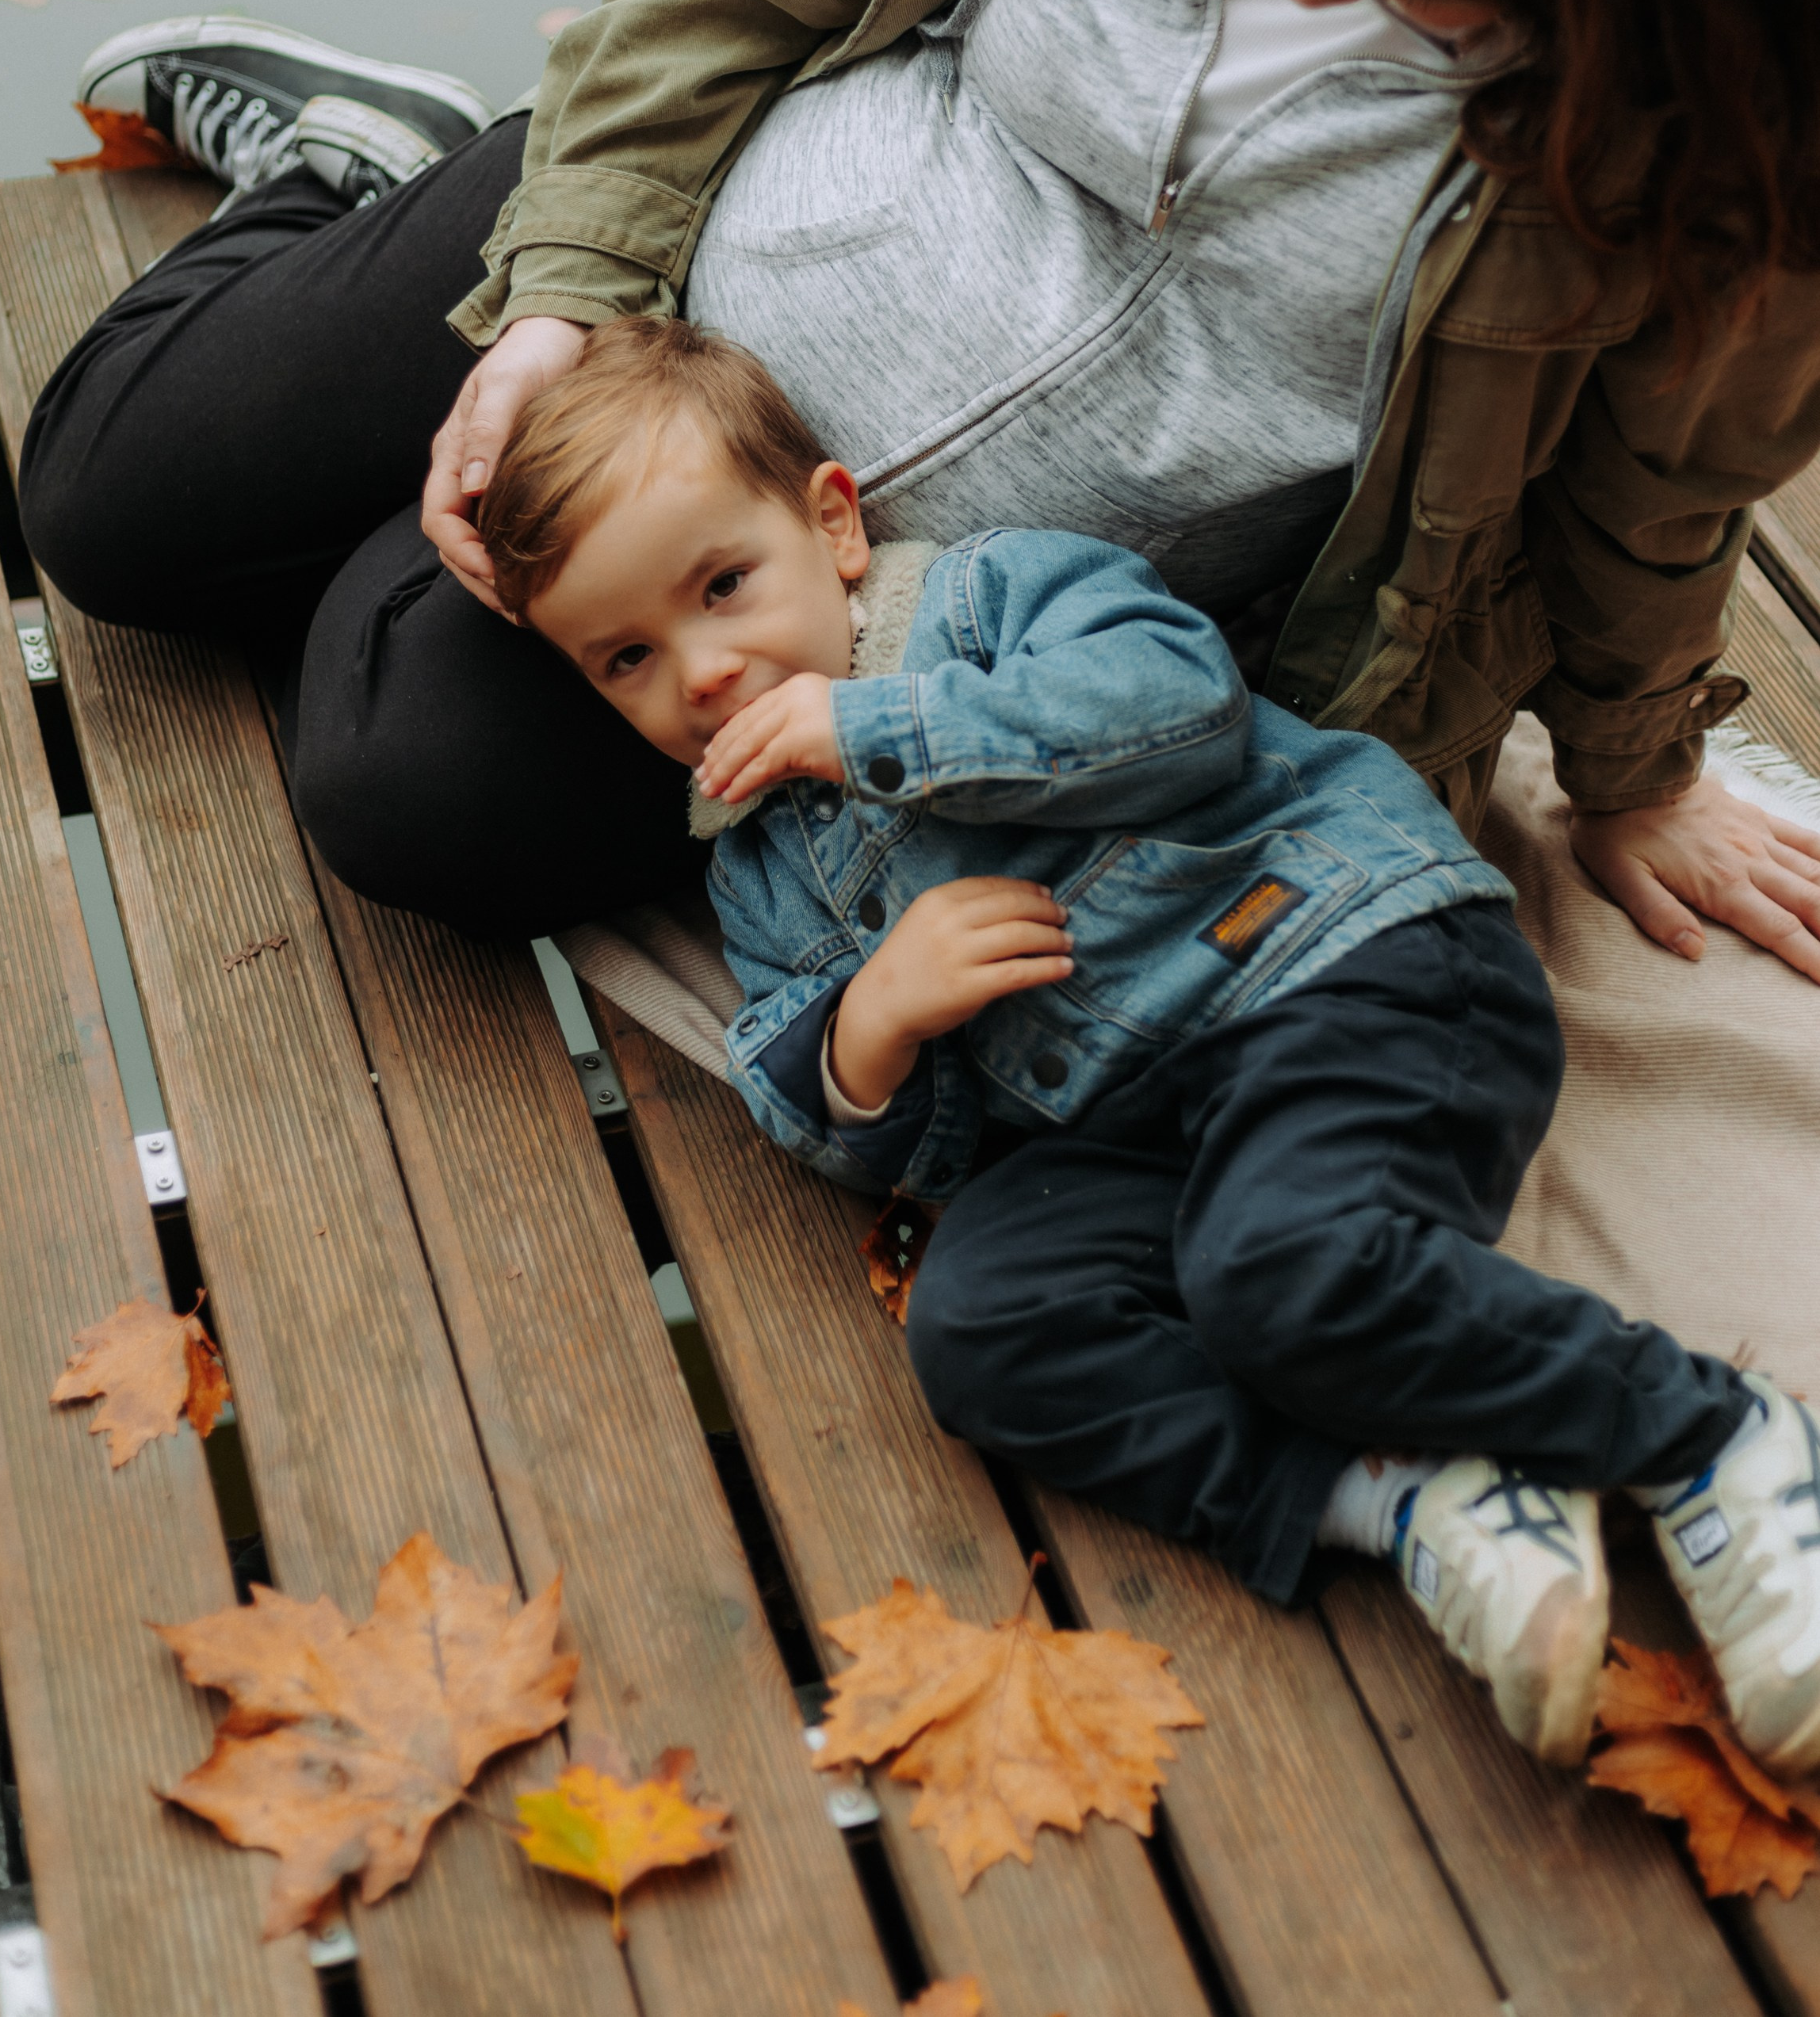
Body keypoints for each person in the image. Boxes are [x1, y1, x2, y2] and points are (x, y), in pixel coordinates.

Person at [17, 0, 1820, 966]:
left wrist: (1635, 770)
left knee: (410, 789)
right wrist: (563, 296)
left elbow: (1657, 487)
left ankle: (426, 515)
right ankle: (376, 156)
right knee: (107, 499)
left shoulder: (1734, 144)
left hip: (936, 610)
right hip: (682, 270)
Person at [472, 309, 1820, 1775]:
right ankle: (1401, 1490)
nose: (701, 672)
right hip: (1135, 1125)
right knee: (979, 1326)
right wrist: (871, 1029)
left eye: (723, 587)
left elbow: (1178, 706)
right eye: (627, 658)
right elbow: (842, 1125)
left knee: (1278, 1271)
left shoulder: (986, 600)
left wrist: (877, 730)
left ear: (835, 526)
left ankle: (1711, 1436)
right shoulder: (754, 866)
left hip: (1331, 968)